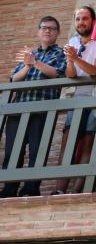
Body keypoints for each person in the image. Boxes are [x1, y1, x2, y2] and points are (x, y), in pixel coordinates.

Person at [0, 16, 66, 197]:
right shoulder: (29, 54)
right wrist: (28, 65)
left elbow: (56, 73)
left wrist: (35, 62)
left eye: (52, 28)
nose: (47, 31)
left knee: (38, 150)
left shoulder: (60, 53)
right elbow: (14, 78)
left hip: (42, 110)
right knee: (13, 150)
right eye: (44, 27)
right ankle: (9, 188)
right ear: (38, 31)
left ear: (57, 33)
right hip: (19, 108)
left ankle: (31, 188)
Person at [54, 6, 96, 194]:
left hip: (95, 98)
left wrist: (75, 58)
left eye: (85, 18)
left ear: (93, 21)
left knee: (88, 142)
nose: (81, 22)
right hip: (76, 99)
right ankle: (59, 189)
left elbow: (95, 71)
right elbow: (70, 74)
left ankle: (77, 190)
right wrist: (71, 61)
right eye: (78, 19)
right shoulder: (72, 41)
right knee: (68, 142)